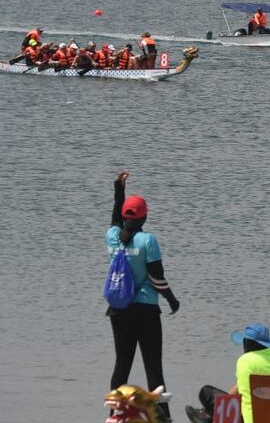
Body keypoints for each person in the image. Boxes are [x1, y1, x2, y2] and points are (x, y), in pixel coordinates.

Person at [107, 171, 180, 423]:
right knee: (153, 369)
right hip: (146, 311)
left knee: (122, 365)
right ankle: (162, 419)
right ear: (145, 216)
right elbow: (156, 277)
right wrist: (172, 299)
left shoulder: (113, 237)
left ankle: (115, 415)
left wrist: (118, 190)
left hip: (118, 311)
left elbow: (116, 219)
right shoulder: (148, 240)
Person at [184, 324, 270, 423]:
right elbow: (241, 386)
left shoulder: (246, 361)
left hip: (252, 420)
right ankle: (209, 416)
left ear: (247, 343)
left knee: (206, 391)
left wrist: (218, 408)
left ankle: (209, 418)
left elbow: (238, 394)